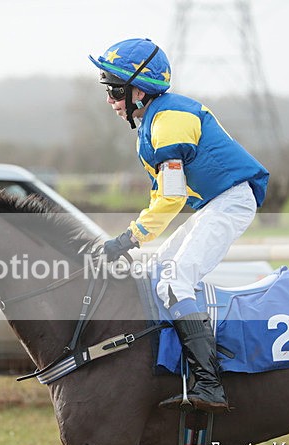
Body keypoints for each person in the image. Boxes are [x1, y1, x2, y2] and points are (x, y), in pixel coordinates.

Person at [89, 37, 269, 413]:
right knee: (159, 273)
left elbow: (171, 199)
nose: (109, 99)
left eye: (113, 89)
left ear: (138, 89)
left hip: (232, 200)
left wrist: (129, 238)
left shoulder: (168, 122)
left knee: (174, 280)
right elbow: (164, 197)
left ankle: (210, 382)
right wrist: (133, 237)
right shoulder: (155, 120)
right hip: (219, 201)